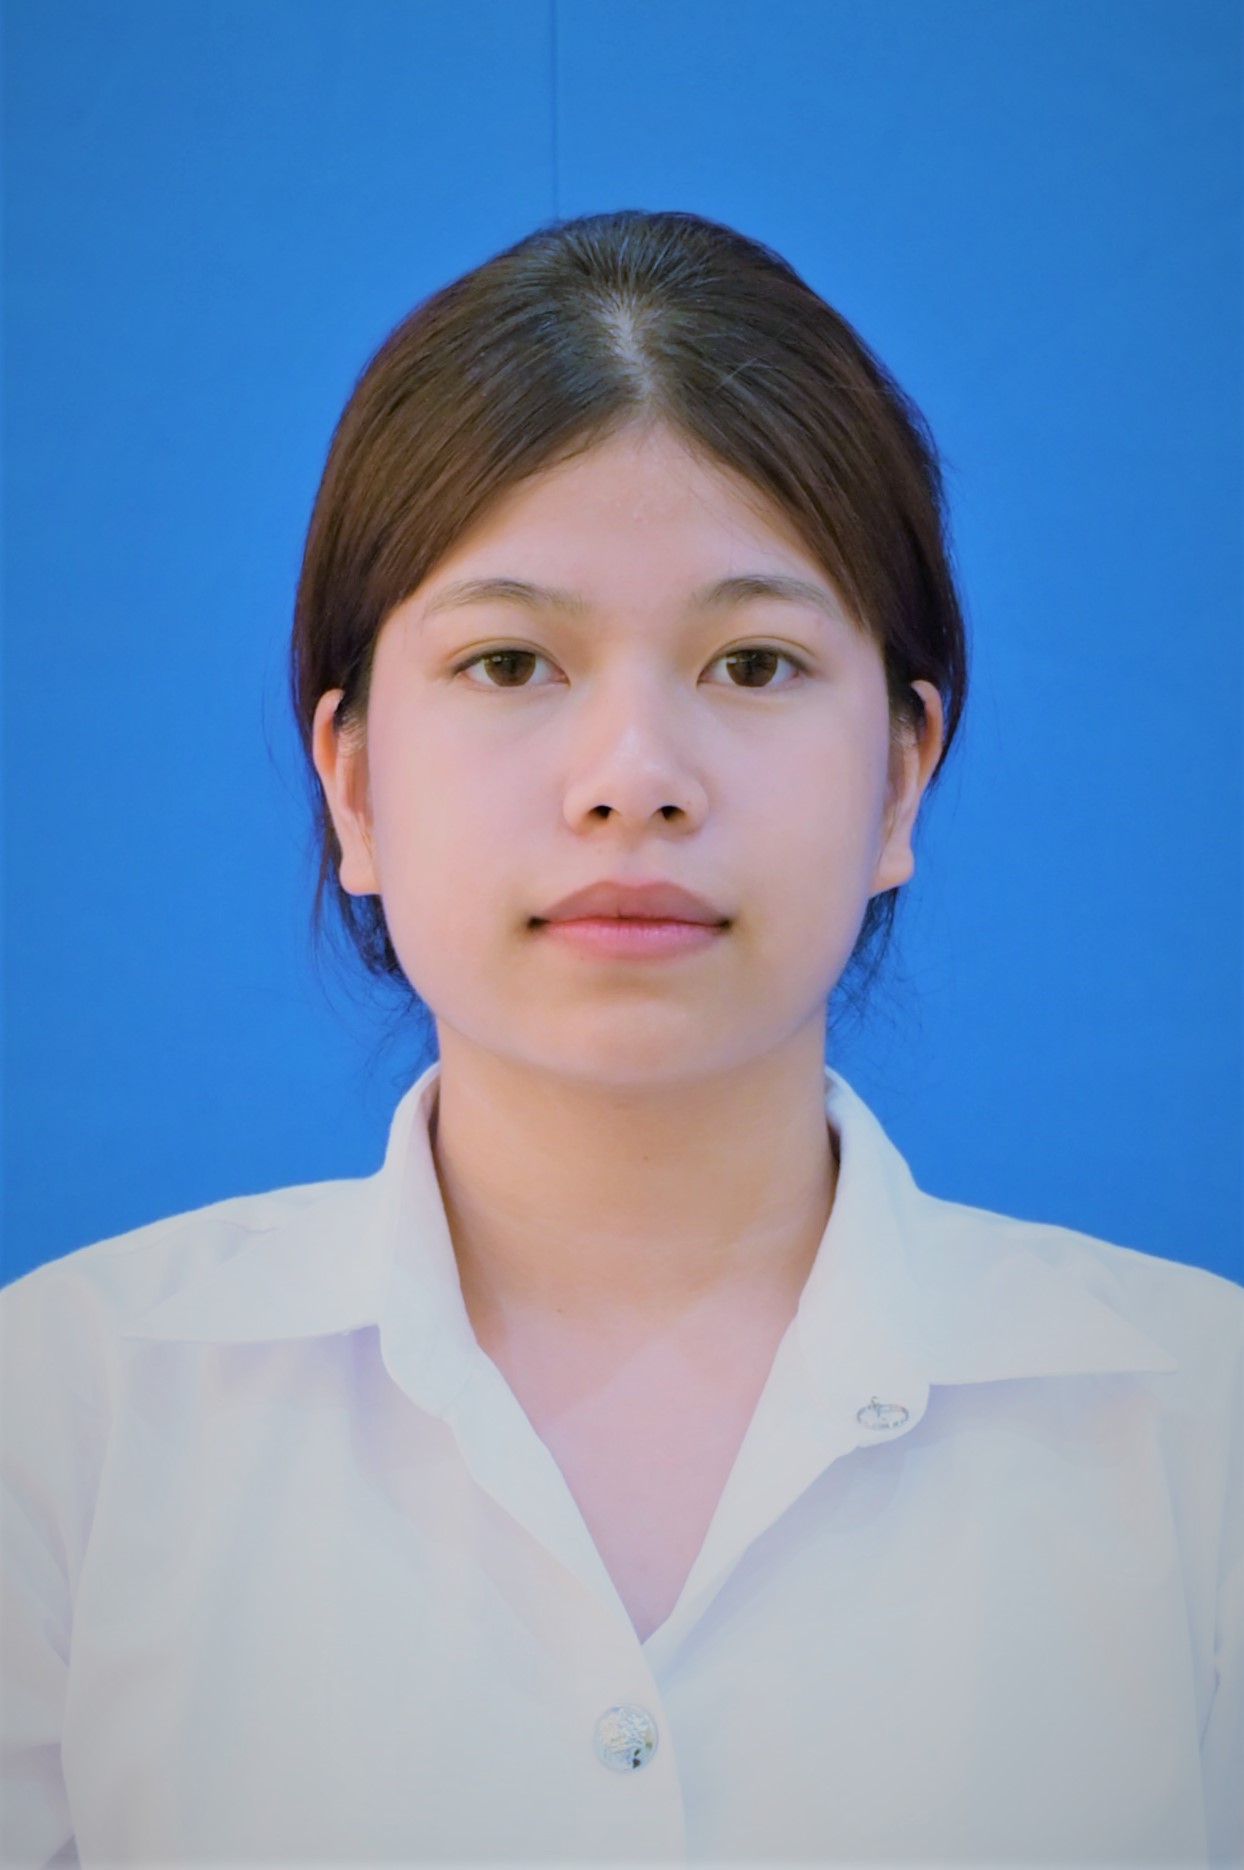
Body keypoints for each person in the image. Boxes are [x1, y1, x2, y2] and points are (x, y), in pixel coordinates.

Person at [1, 209, 1239, 1870]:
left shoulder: (1198, 1439)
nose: (633, 777)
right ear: (352, 783)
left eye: (754, 661)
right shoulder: (63, 1428)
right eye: (511, 659)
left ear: (901, 775)